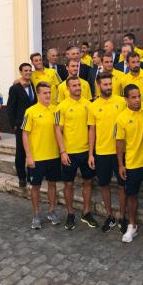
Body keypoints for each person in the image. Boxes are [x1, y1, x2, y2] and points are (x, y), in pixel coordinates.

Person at [53, 76, 99, 230]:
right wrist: (63, 152)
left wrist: (91, 153)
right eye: (74, 85)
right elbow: (57, 131)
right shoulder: (61, 106)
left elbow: (91, 129)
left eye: (79, 84)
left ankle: (86, 212)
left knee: (88, 182)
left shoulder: (88, 104)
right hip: (69, 153)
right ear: (67, 88)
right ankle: (70, 213)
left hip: (86, 151)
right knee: (68, 184)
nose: (78, 87)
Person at [116, 84, 143, 243]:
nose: (137, 100)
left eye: (139, 96)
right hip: (133, 163)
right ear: (126, 99)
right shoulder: (121, 118)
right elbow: (119, 143)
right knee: (132, 195)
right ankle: (132, 225)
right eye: (133, 97)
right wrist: (121, 165)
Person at [88, 73, 128, 233]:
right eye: (105, 84)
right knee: (104, 184)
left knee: (122, 185)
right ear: (99, 85)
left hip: (121, 152)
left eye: (110, 84)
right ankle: (110, 215)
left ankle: (123, 217)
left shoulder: (121, 101)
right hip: (102, 152)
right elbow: (92, 130)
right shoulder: (92, 106)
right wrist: (91, 154)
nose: (108, 87)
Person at [21, 82, 61, 229]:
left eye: (49, 92)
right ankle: (36, 214)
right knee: (35, 187)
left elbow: (59, 132)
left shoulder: (56, 110)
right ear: (38, 95)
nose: (48, 95)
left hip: (54, 156)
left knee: (52, 184)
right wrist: (28, 156)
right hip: (37, 157)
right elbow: (25, 134)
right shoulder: (30, 111)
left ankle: (51, 211)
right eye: (45, 93)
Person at [8, 63, 37, 188]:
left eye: (30, 70)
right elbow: (10, 107)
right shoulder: (15, 88)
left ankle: (31, 175)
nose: (28, 72)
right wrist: (14, 124)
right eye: (26, 70)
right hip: (20, 124)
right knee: (21, 152)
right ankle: (21, 177)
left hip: (34, 124)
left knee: (32, 150)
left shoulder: (33, 85)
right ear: (21, 72)